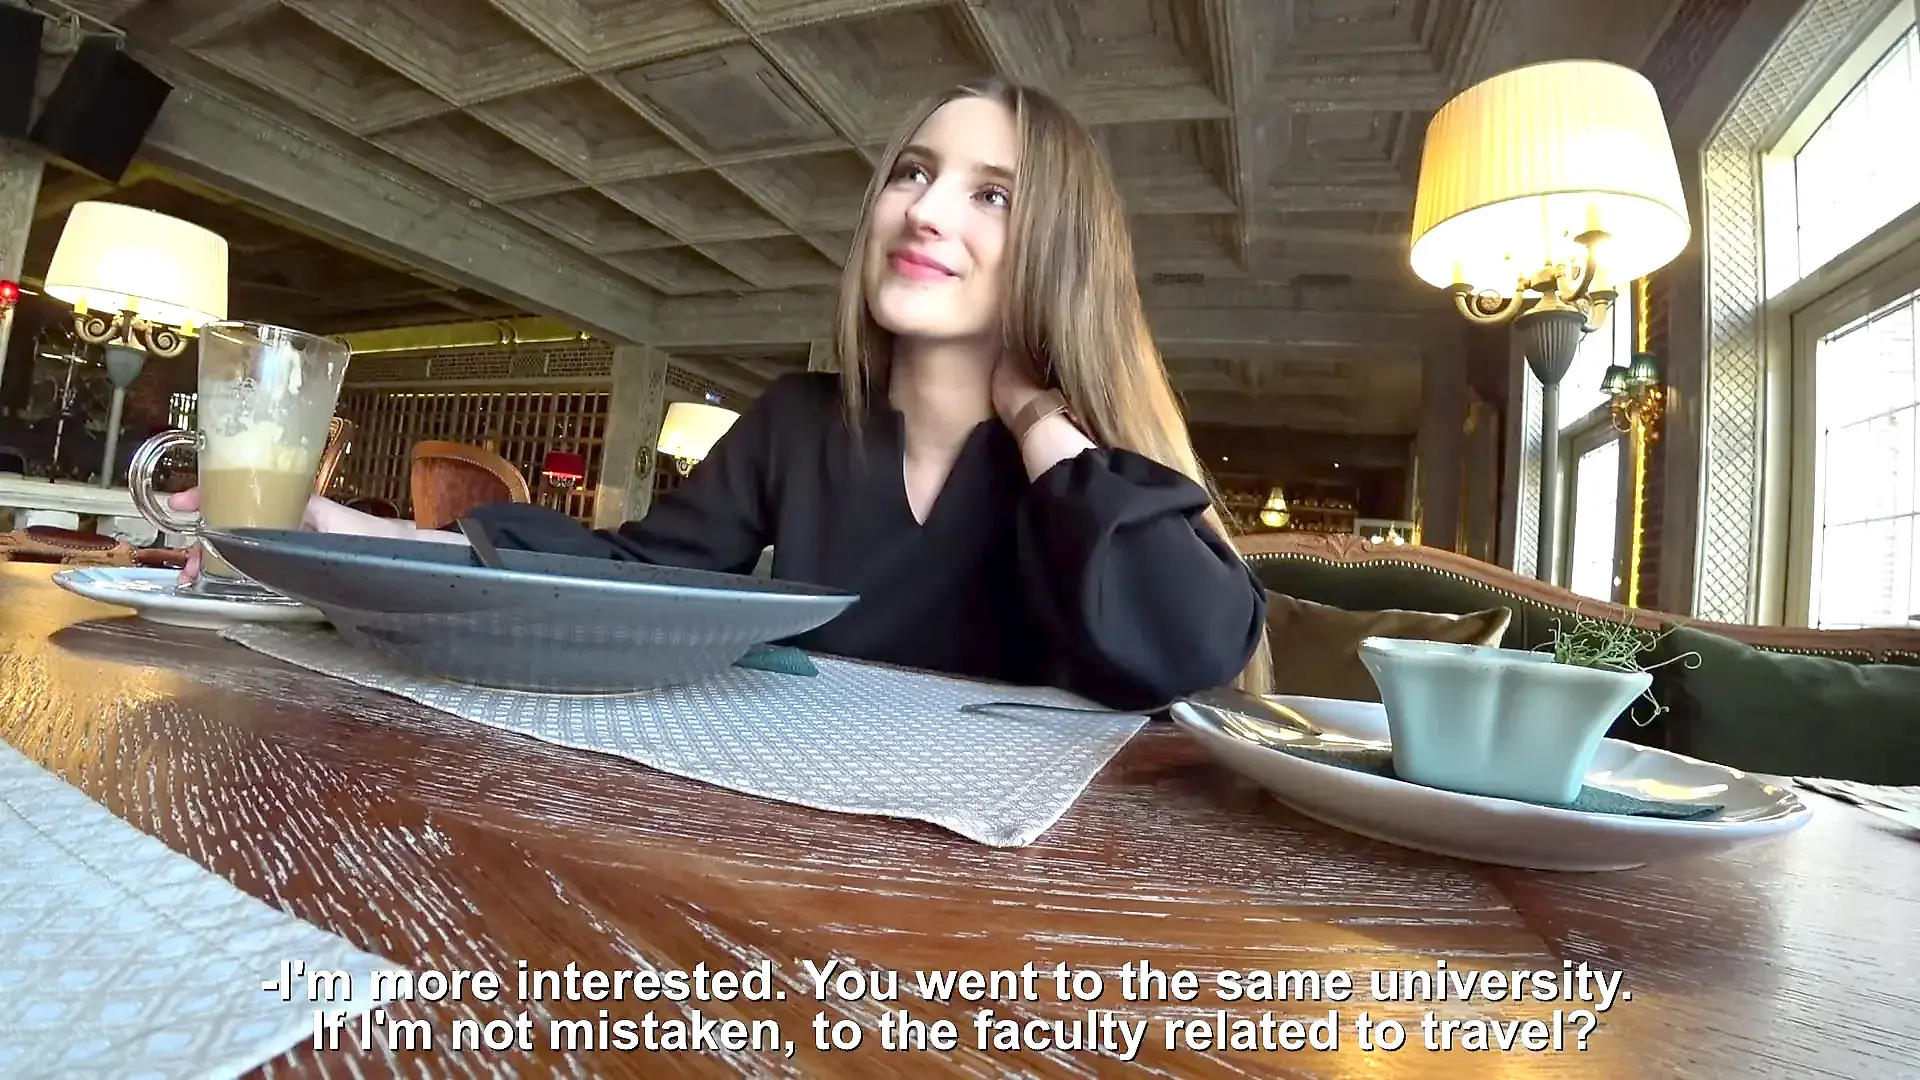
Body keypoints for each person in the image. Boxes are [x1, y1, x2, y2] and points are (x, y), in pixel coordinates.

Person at [174, 78, 1273, 711]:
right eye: (913, 172)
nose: (927, 210)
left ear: (1060, 253)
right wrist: (337, 530)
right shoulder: (798, 419)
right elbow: (629, 573)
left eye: (993, 195)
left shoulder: (1085, 476)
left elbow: (1187, 650)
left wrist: (1037, 415)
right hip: (790, 834)